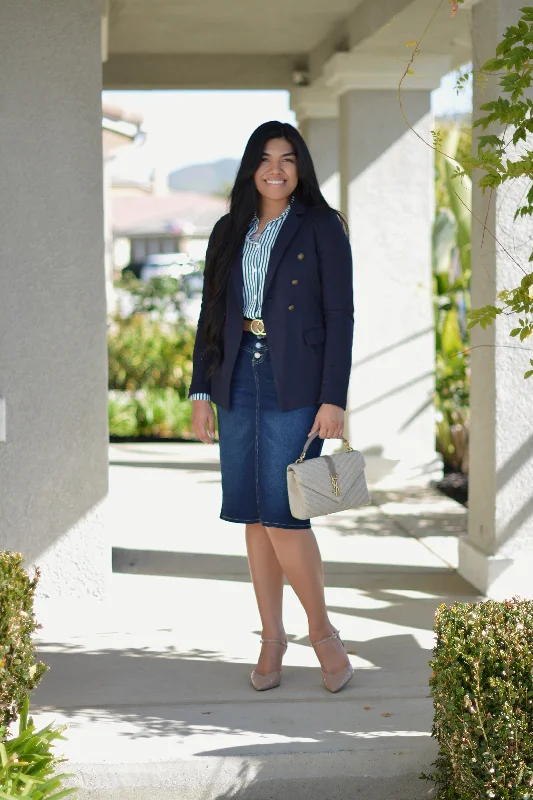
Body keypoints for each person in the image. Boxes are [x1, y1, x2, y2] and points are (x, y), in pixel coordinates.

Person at [189, 121, 354, 693]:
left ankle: (323, 634)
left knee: (285, 515)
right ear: (250, 168)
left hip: (298, 382)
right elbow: (211, 313)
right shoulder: (227, 230)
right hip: (234, 377)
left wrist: (334, 397)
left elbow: (340, 315)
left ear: (300, 166)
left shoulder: (322, 227)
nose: (276, 168)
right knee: (252, 515)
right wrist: (201, 392)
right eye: (265, 159)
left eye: (287, 158)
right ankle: (270, 639)